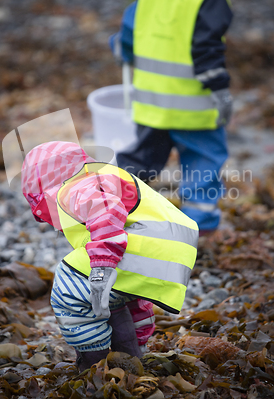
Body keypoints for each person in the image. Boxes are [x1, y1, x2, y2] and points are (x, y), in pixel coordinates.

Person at [110, 0, 256, 234]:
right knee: (204, 160)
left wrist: (121, 47)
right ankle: (199, 225)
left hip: (151, 103)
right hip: (194, 108)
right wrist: (221, 93)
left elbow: (130, 26)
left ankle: (111, 210)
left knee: (141, 160)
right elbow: (205, 49)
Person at [21, 141, 198, 371]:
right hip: (168, 248)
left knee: (70, 287)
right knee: (112, 294)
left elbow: (105, 209)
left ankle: (93, 364)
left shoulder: (74, 186)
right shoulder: (101, 176)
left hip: (149, 245)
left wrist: (102, 268)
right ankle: (131, 356)